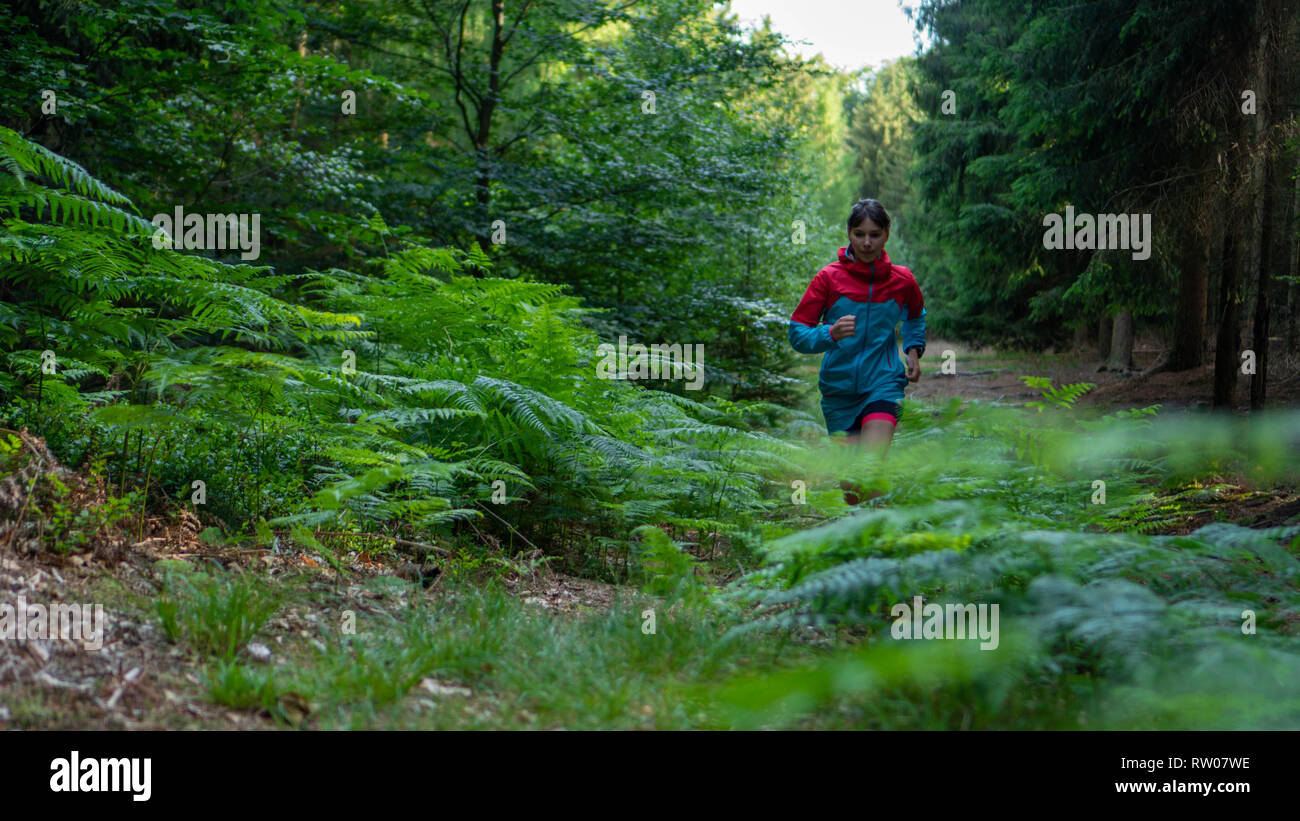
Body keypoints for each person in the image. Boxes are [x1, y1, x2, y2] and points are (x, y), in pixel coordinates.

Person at [788, 199, 926, 505]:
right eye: (859, 234)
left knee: (870, 467)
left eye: (874, 234)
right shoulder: (828, 278)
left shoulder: (902, 280)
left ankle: (885, 540)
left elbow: (916, 314)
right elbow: (797, 333)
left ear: (887, 234)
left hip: (883, 383)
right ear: (849, 234)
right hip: (839, 391)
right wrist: (829, 333)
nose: (867, 242)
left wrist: (914, 348)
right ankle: (870, 534)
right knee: (852, 487)